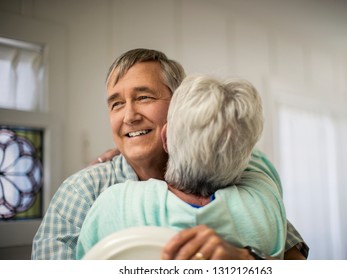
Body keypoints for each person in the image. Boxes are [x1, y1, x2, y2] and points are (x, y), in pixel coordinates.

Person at [31, 48, 309, 260]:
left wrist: (243, 260)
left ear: (180, 104)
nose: (129, 116)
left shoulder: (235, 175)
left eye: (144, 98)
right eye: (116, 104)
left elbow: (292, 256)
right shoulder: (82, 192)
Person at [76, 74, 286, 260]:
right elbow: (248, 149)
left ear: (165, 138)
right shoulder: (265, 205)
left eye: (144, 97)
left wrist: (128, 146)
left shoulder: (115, 205)